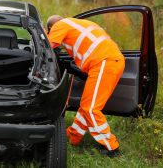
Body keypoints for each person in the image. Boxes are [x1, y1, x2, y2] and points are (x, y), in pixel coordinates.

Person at [46, 15, 125, 157]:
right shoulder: (80, 23)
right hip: (109, 61)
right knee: (86, 105)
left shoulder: (60, 25)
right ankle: (73, 136)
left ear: (52, 27)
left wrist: (45, 34)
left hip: (103, 62)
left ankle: (111, 147)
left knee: (91, 109)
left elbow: (48, 46)